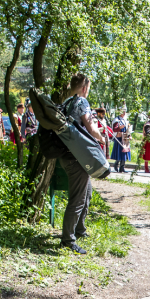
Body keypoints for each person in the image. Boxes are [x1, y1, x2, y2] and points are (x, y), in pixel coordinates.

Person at [58, 73, 106, 254]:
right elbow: (90, 126)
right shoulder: (82, 102)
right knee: (77, 199)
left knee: (86, 193)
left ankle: (79, 230)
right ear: (85, 87)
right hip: (76, 157)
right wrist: (101, 137)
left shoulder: (67, 102)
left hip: (69, 155)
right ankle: (67, 240)